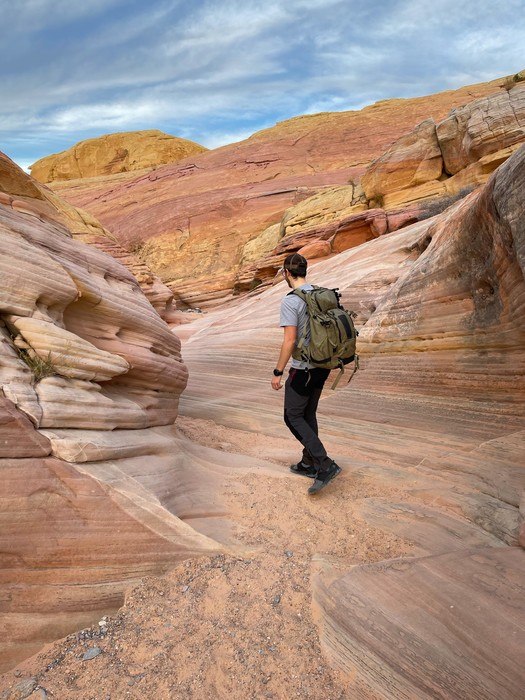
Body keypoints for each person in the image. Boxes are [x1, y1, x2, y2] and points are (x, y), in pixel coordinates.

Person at [271, 253, 341, 495]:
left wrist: (278, 371)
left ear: (287, 273)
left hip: (303, 369)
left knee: (292, 416)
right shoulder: (320, 293)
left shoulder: (291, 301)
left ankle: (324, 464)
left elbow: (290, 340)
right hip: (323, 364)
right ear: (305, 270)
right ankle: (308, 462)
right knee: (307, 413)